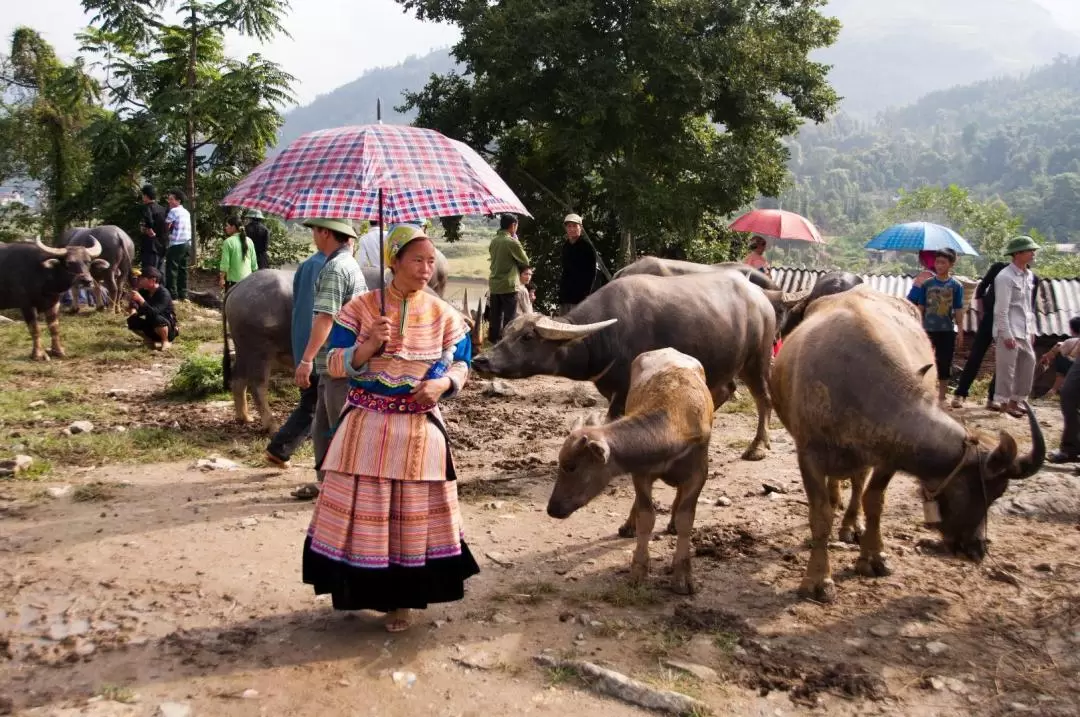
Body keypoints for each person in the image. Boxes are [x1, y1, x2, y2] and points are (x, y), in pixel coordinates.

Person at [302, 224, 478, 633]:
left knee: (410, 519)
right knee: (366, 517)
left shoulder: (443, 315)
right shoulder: (362, 309)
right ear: (393, 261)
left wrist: (442, 383)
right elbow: (331, 362)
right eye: (416, 260)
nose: (425, 268)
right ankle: (365, 593)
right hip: (365, 428)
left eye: (430, 261)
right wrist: (366, 347)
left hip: (418, 432)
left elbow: (461, 363)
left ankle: (404, 603)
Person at [292, 218, 366, 501]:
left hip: (337, 363)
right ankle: (328, 483)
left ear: (324, 232)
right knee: (323, 426)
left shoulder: (335, 268)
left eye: (314, 230)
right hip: (335, 363)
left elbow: (325, 317)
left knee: (339, 426)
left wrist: (306, 359)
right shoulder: (349, 264)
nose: (313, 236)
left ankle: (348, 489)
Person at [265, 248, 328, 470]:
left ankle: (281, 449)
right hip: (322, 348)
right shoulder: (334, 267)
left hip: (303, 342)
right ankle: (280, 448)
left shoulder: (306, 265)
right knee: (314, 404)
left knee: (313, 403)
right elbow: (325, 316)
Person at [993, 235, 1040, 418]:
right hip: (1009, 328)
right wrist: (1006, 334)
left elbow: (1028, 306)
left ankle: (1016, 401)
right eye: (1030, 250)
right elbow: (1001, 309)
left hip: (1025, 328)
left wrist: (1032, 329)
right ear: (1018, 254)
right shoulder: (1005, 277)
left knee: (1029, 363)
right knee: (1007, 369)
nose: (1033, 253)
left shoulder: (1029, 276)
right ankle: (1004, 404)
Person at [914, 249, 964, 406]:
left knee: (944, 362)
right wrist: (917, 325)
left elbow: (958, 309)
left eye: (943, 262)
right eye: (937, 262)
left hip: (947, 330)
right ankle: (921, 392)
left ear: (951, 264)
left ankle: (942, 396)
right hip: (928, 329)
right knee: (923, 360)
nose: (939, 265)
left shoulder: (956, 286)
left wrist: (960, 330)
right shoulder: (927, 284)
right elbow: (921, 306)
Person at [487, 213, 529, 343]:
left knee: (495, 317)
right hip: (508, 285)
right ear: (513, 225)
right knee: (510, 318)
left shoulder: (494, 241)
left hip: (494, 285)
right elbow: (525, 260)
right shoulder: (511, 242)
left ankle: (493, 341)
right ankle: (507, 343)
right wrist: (516, 240)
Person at [125, 267, 177, 350]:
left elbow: (154, 312)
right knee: (132, 320)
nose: (140, 281)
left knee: (156, 318)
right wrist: (133, 308)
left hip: (167, 327)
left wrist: (141, 300)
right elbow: (136, 304)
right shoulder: (144, 292)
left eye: (142, 279)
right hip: (151, 324)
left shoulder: (164, 293)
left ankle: (165, 341)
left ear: (153, 280)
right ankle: (150, 339)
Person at [558, 214, 597, 315]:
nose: (571, 229)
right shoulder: (565, 246)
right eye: (569, 226)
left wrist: (586, 295)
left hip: (580, 297)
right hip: (565, 295)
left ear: (581, 228)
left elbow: (592, 273)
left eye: (575, 226)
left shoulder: (587, 247)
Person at [1039, 316, 1080, 397]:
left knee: (1059, 352)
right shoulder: (1073, 342)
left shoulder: (1071, 341)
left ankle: (1054, 389)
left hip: (1074, 369)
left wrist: (1046, 356)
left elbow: (1058, 347)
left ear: (1072, 329)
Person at [164, 189, 192, 301]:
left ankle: (172, 295)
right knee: (183, 269)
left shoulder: (174, 211)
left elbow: (167, 226)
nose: (169, 201)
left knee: (171, 269)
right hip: (186, 243)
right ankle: (183, 294)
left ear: (178, 201)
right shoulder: (186, 212)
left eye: (171, 199)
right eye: (169, 199)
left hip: (176, 243)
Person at [218, 216, 257, 291]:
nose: (225, 228)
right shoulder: (249, 241)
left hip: (233, 283)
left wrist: (222, 279)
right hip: (248, 281)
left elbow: (225, 264)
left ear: (233, 227)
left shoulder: (228, 242)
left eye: (227, 226)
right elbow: (254, 264)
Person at [138, 184, 169, 273]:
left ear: (146, 196)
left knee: (150, 273)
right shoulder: (163, 209)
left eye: (143, 195)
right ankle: (162, 287)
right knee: (160, 272)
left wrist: (146, 229)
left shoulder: (147, 209)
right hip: (162, 246)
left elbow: (149, 224)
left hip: (150, 247)